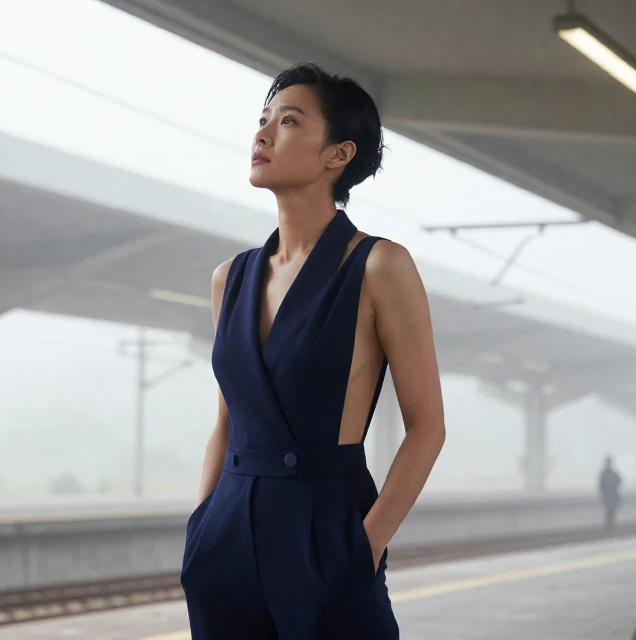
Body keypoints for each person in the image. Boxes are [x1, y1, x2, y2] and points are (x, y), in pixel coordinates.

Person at [178, 63, 446, 639]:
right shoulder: (231, 277)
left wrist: (364, 549)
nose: (263, 134)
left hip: (326, 531)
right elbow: (226, 423)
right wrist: (201, 526)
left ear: (338, 154)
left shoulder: (379, 266)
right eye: (263, 120)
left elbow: (427, 427)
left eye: (289, 121)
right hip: (226, 537)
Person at [599, 456, 622, 531]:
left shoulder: (606, 473)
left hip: (610, 495)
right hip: (610, 495)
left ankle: (610, 525)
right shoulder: (609, 473)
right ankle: (610, 525)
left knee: (611, 511)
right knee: (610, 511)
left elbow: (619, 481)